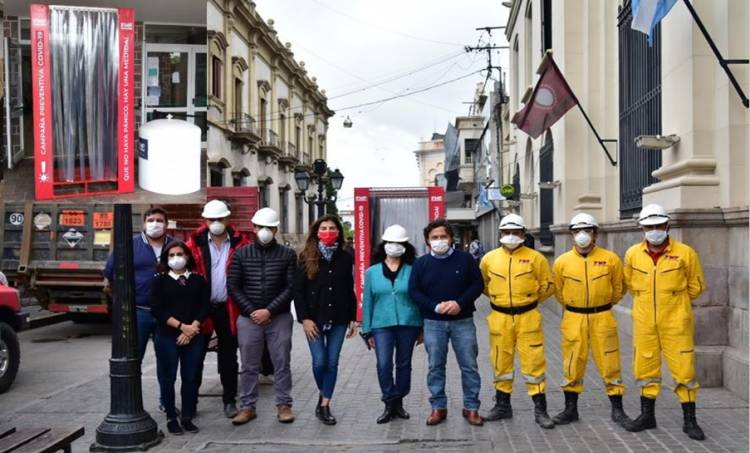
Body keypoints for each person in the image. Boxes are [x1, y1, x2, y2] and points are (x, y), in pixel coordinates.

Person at [623, 204, 706, 440]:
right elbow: (630, 284)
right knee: (645, 368)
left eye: (659, 226)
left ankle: (690, 420)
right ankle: (647, 415)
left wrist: (674, 303)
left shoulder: (685, 253)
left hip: (676, 322)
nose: (654, 231)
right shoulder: (632, 254)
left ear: (667, 226)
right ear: (642, 228)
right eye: (649, 227)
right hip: (644, 321)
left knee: (684, 369)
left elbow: (696, 286)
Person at [550, 213, 629, 426]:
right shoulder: (562, 262)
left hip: (602, 316)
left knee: (610, 361)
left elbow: (619, 288)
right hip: (574, 317)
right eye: (577, 231)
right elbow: (558, 290)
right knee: (572, 362)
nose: (582, 235)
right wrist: (574, 304)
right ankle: (570, 409)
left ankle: (618, 409)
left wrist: (603, 303)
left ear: (595, 234)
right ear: (571, 235)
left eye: (587, 230)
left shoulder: (611, 259)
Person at [479, 213, 555, 429]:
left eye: (515, 232)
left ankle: (541, 410)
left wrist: (529, 300)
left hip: (528, 317)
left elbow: (548, 285)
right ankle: (502, 406)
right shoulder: (489, 259)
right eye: (506, 232)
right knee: (500, 362)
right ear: (500, 233)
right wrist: (499, 299)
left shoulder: (536, 258)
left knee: (534, 362)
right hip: (499, 317)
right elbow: (484, 285)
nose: (511, 236)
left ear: (523, 233)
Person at [408, 219, 484, 427]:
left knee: (469, 365)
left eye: (443, 236)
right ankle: (438, 407)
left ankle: (471, 407)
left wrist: (460, 303)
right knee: (435, 366)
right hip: (433, 322)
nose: (439, 240)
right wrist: (434, 306)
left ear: (451, 238)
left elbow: (478, 284)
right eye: (435, 237)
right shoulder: (421, 264)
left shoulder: (466, 259)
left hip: (463, 320)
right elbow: (414, 291)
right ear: (427, 241)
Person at [227, 207, 297, 425]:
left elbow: (291, 287)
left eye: (269, 227)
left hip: (279, 317)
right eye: (261, 227)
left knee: (281, 362)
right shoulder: (240, 253)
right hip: (249, 318)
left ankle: (284, 405)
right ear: (254, 227)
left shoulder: (288, 254)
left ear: (275, 229)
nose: (264, 231)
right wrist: (252, 311)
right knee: (248, 364)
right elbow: (233, 286)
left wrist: (270, 310)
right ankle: (247, 407)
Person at [104, 207, 174, 413]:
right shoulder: (129, 245)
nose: (155, 224)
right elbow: (110, 274)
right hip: (139, 313)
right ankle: (129, 404)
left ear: (166, 224)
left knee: (167, 362)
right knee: (133, 360)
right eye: (151, 220)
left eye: (160, 220)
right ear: (144, 223)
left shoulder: (175, 246)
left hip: (166, 316)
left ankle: (167, 402)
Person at [187, 200, 250, 419]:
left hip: (229, 308)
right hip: (201, 309)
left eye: (220, 219)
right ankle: (190, 401)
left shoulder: (240, 242)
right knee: (195, 355)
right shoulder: (194, 243)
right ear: (205, 220)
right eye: (212, 219)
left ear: (228, 219)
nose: (216, 223)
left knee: (229, 356)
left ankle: (229, 400)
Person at [294, 215, 358, 426]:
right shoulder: (305, 257)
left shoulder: (346, 256)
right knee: (319, 361)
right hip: (314, 319)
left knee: (332, 362)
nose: (328, 231)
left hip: (339, 318)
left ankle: (324, 404)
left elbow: (349, 289)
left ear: (339, 232)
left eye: (332, 228)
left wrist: (352, 318)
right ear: (317, 232)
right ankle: (324, 394)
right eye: (324, 228)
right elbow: (298, 291)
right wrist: (304, 319)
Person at [361, 224, 423, 424]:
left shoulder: (413, 270)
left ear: (405, 246)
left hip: (409, 322)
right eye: (390, 242)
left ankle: (399, 401)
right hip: (381, 324)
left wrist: (422, 327)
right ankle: (389, 400)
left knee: (404, 364)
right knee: (384, 364)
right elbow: (368, 301)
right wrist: (367, 330)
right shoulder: (372, 272)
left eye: (398, 243)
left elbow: (419, 298)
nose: (394, 246)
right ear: (384, 244)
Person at [150, 241, 209, 435]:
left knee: (191, 377)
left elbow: (204, 306)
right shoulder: (160, 280)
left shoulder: (198, 280)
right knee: (167, 377)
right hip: (167, 335)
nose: (176, 258)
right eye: (171, 255)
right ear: (166, 259)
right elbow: (157, 309)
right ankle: (171, 417)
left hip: (194, 335)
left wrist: (192, 328)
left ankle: (187, 415)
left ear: (188, 256)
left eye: (180, 254)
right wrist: (182, 327)